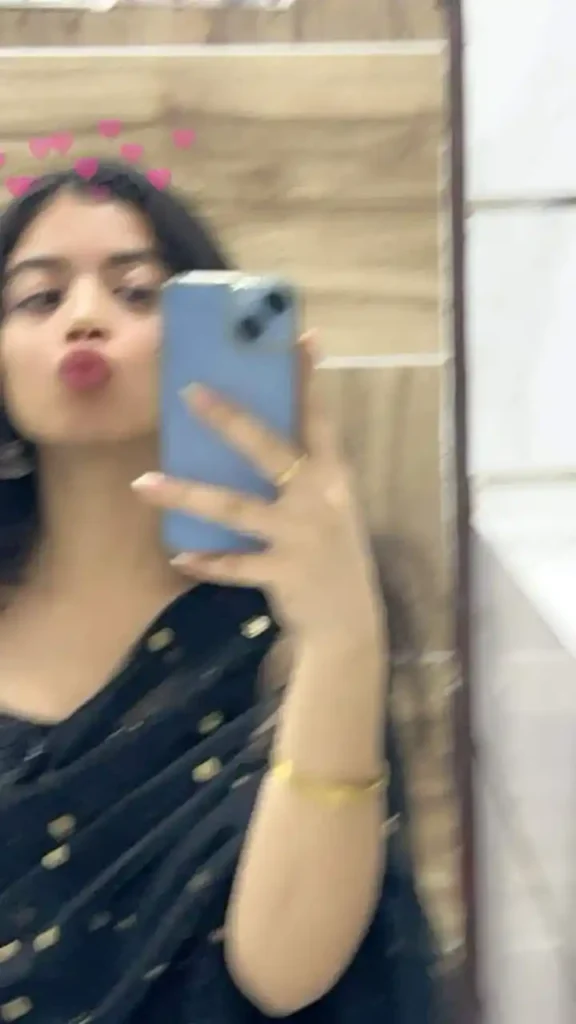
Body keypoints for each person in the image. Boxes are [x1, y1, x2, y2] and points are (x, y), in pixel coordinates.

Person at [0, 162, 443, 1024]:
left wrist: (343, 637)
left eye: (136, 292)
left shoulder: (283, 620)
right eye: (39, 298)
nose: (84, 316)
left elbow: (285, 972)